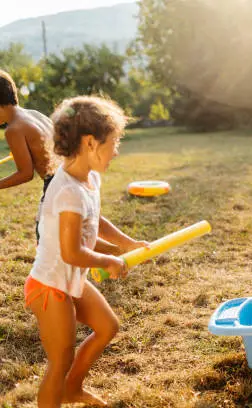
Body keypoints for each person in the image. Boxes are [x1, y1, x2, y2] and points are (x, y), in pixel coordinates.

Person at [25, 95, 148, 407]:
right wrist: (108, 260)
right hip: (50, 286)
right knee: (60, 361)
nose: (116, 151)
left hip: (70, 279)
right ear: (91, 143)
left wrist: (126, 244)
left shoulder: (89, 179)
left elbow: (96, 221)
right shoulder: (67, 191)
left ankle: (73, 389)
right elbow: (72, 252)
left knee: (108, 327)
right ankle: (62, 387)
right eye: (114, 142)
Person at [0, 69, 57, 241]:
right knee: (84, 223)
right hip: (73, 173)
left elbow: (25, 174)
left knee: (46, 236)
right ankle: (124, 246)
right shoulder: (33, 114)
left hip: (57, 183)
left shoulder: (13, 130)